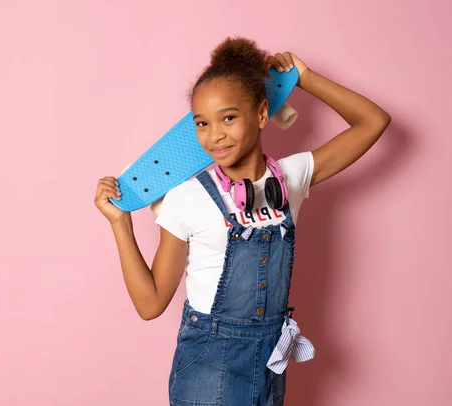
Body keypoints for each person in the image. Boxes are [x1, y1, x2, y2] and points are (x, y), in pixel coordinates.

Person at [94, 37, 391, 406]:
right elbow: (150, 303)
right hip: (207, 370)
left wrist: (305, 77)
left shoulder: (290, 178)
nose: (215, 134)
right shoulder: (188, 198)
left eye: (228, 117)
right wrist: (120, 224)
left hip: (270, 365)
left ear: (263, 114)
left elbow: (374, 122)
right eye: (202, 123)